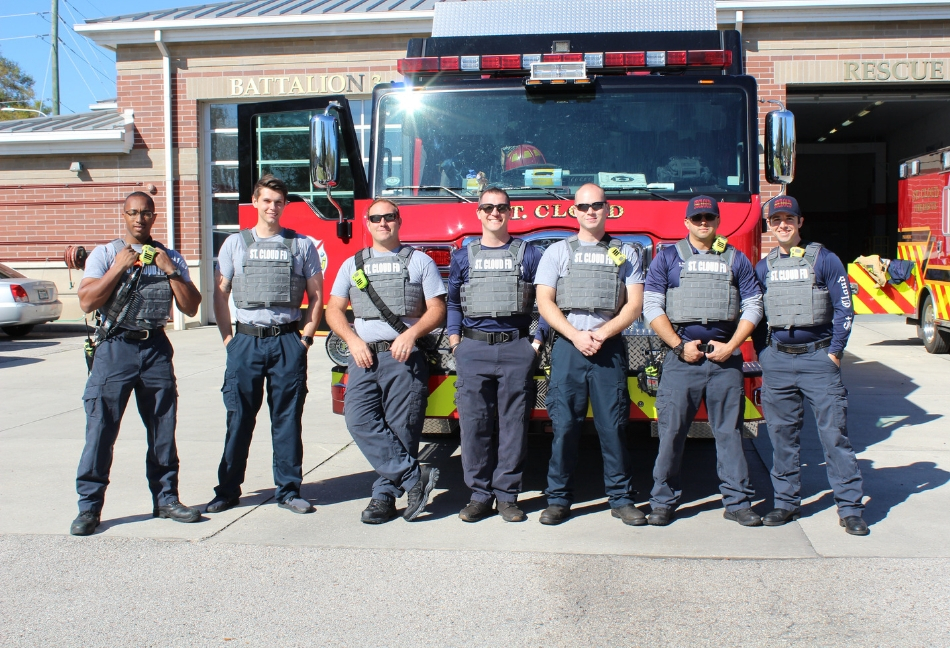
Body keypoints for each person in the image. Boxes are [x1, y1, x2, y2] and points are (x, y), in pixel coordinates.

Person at [70, 192, 202, 536]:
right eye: (133, 213)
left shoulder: (170, 257)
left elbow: (191, 307)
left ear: (154, 217)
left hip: (155, 347)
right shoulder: (105, 254)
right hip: (115, 348)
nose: (139, 219)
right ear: (124, 215)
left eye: (145, 213)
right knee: (100, 429)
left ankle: (166, 499)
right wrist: (118, 268)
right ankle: (89, 507)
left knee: (162, 429)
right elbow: (86, 301)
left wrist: (171, 271)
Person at [643, 195, 763, 527]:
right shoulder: (668, 258)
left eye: (709, 217)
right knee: (671, 433)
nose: (703, 223)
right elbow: (651, 306)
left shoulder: (736, 259)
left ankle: (737, 502)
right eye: (697, 218)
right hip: (681, 360)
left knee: (729, 434)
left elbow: (754, 305)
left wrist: (732, 346)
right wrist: (679, 346)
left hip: (725, 361)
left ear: (718, 221)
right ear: (687, 222)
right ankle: (662, 502)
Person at [206, 174, 323, 516]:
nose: (273, 207)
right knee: (238, 418)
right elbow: (221, 293)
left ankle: (288, 491)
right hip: (246, 341)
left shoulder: (301, 245)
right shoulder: (235, 244)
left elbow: (316, 295)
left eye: (279, 202)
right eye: (267, 200)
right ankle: (227, 490)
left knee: (287, 420)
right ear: (255, 202)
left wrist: (305, 338)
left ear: (285, 205)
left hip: (287, 341)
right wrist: (228, 339)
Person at [325, 198, 447, 524]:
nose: (383, 223)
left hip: (403, 355)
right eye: (376, 218)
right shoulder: (353, 264)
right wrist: (352, 340)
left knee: (400, 427)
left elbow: (437, 309)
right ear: (367, 223)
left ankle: (383, 497)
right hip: (363, 355)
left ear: (399, 220)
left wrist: (411, 334)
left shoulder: (420, 261)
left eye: (389, 217)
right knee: (358, 419)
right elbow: (333, 309)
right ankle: (413, 477)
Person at [754, 196, 868, 536]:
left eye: (789, 218)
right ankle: (786, 503)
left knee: (834, 436)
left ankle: (850, 508)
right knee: (781, 436)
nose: (783, 225)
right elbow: (755, 314)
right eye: (776, 220)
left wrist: (835, 351)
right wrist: (764, 353)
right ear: (770, 226)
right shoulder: (764, 267)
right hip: (778, 360)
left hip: (818, 359)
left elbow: (845, 307)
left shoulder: (825, 259)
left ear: (800, 222)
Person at [534, 183, 645, 526]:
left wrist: (601, 333)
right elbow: (545, 301)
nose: (590, 211)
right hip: (569, 347)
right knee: (564, 426)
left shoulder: (626, 252)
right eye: (583, 206)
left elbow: (634, 305)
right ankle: (558, 499)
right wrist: (575, 335)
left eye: (597, 205)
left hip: (607, 348)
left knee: (613, 426)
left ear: (607, 209)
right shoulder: (557, 252)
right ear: (574, 211)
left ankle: (622, 499)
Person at [446, 187, 544, 523]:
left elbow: (546, 300)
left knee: (514, 426)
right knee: (474, 425)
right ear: (478, 213)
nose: (494, 213)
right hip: (473, 349)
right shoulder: (463, 256)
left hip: (516, 348)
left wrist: (536, 342)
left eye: (501, 208)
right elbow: (453, 302)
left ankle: (507, 496)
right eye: (488, 208)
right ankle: (479, 495)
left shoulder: (529, 254)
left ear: (510, 212)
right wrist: (455, 341)